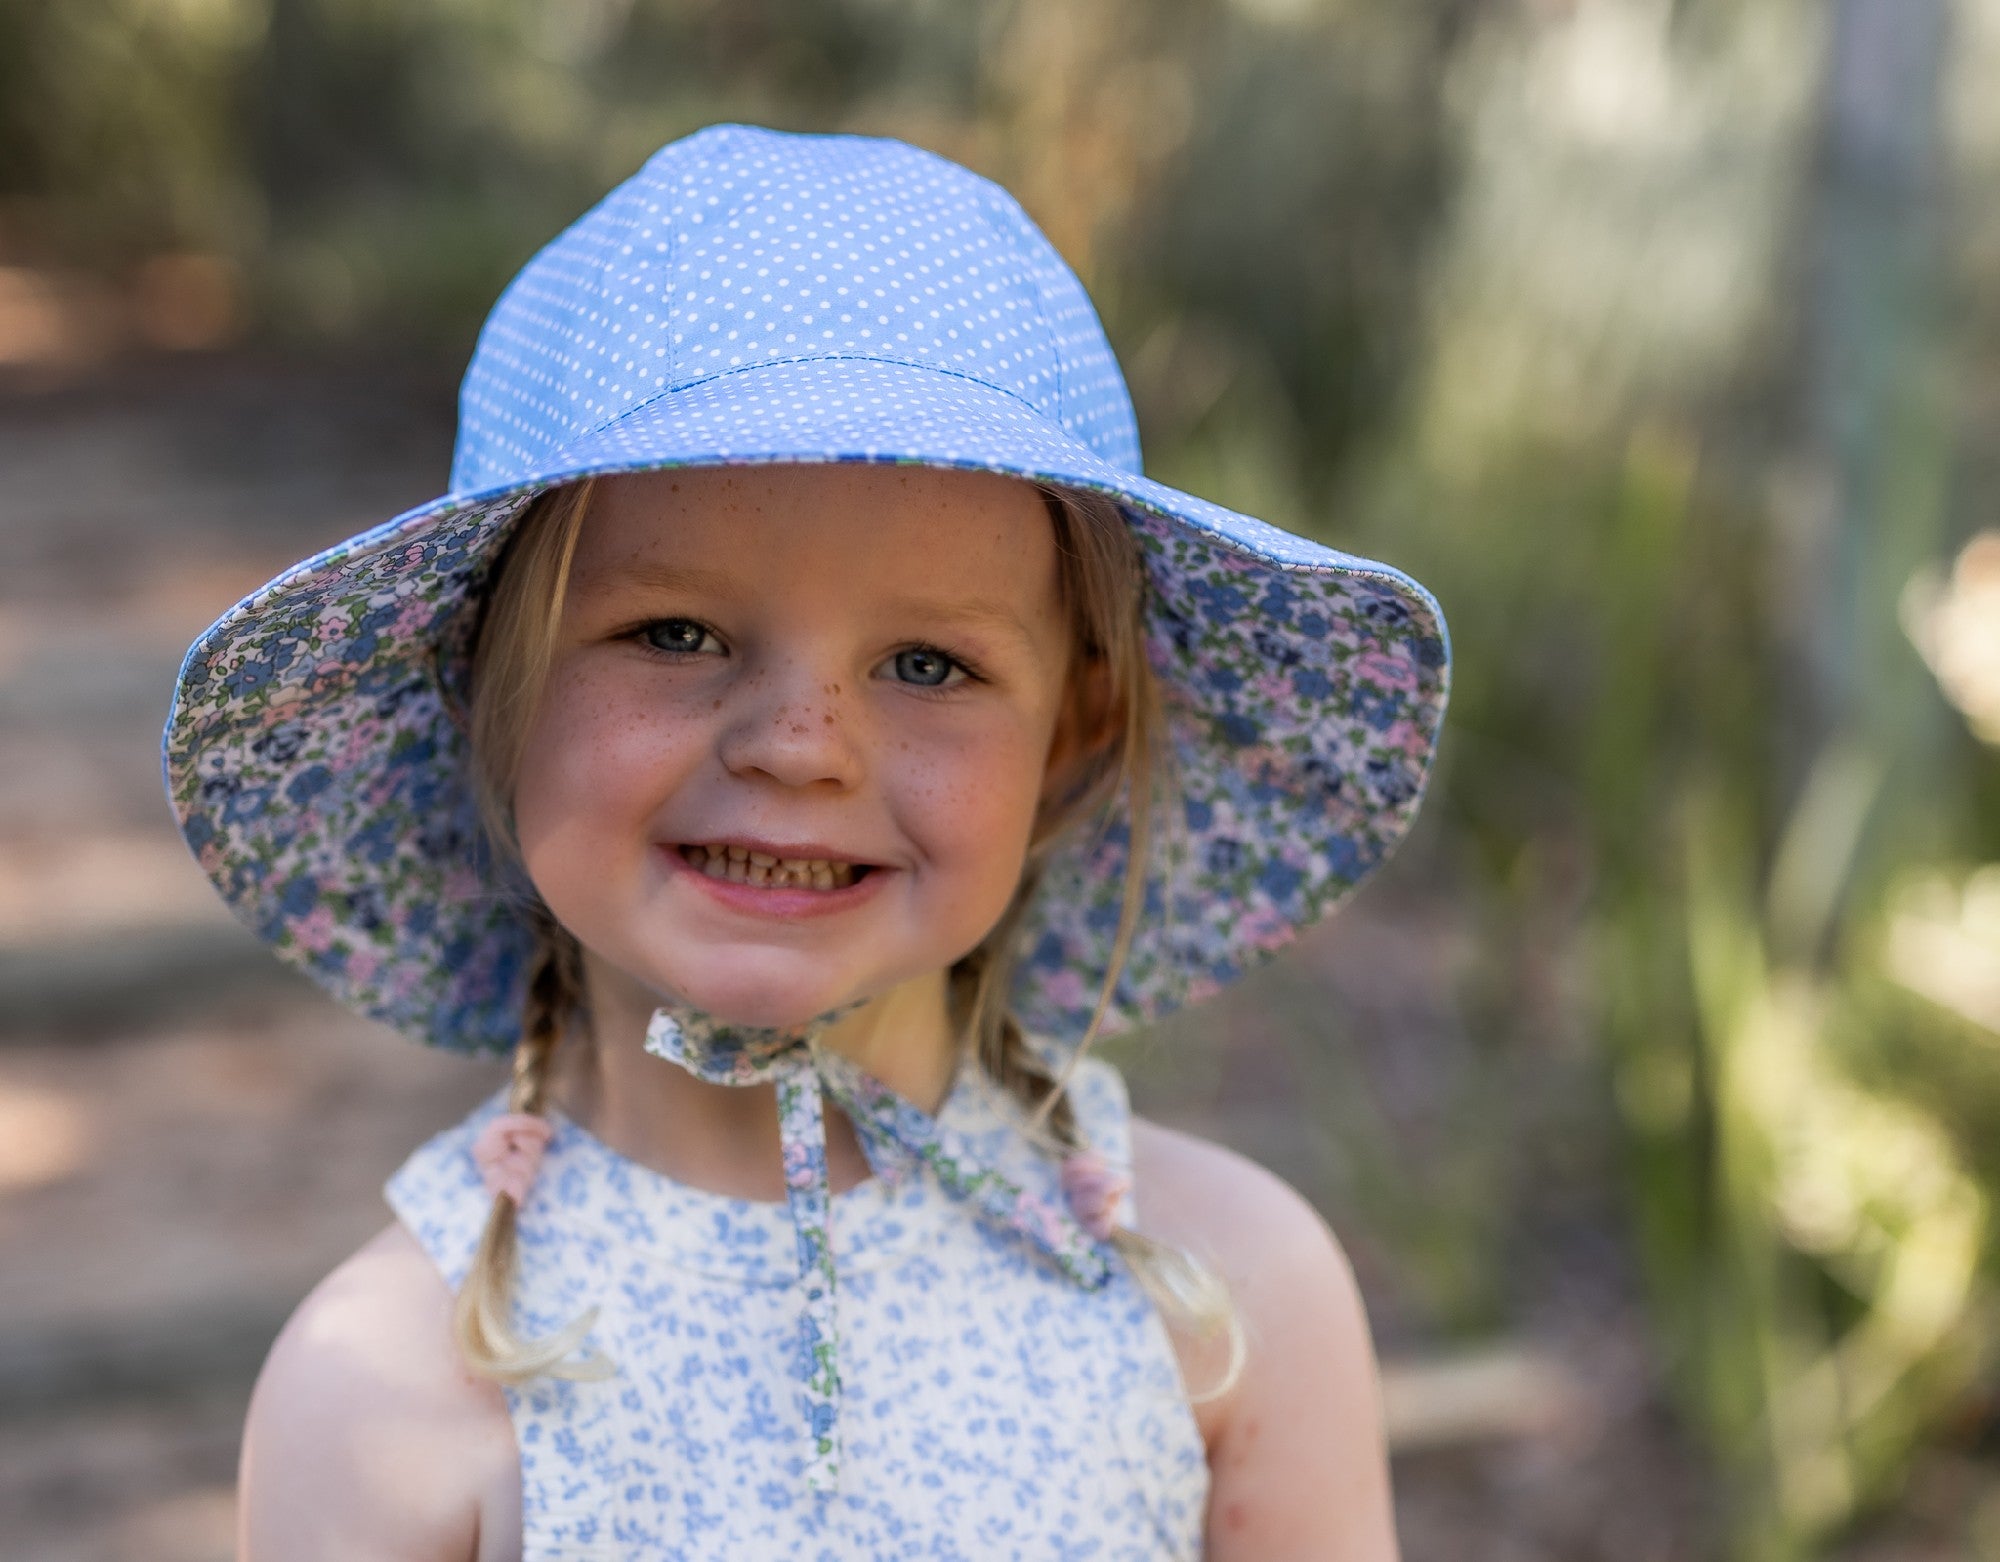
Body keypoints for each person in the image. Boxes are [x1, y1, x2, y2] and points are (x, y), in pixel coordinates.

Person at [165, 123, 1450, 1560]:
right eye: (673, 632)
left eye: (928, 665)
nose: (797, 741)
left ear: (1075, 731)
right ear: (490, 690)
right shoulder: (391, 1388)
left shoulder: (1220, 1299)